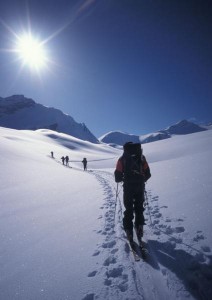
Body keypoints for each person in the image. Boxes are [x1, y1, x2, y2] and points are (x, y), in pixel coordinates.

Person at [114, 142, 151, 244]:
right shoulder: (142, 157)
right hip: (139, 186)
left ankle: (129, 230)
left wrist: (123, 178)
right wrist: (141, 179)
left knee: (129, 208)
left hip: (128, 187)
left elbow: (117, 177)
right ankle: (139, 227)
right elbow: (148, 174)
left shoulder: (122, 159)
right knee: (139, 207)